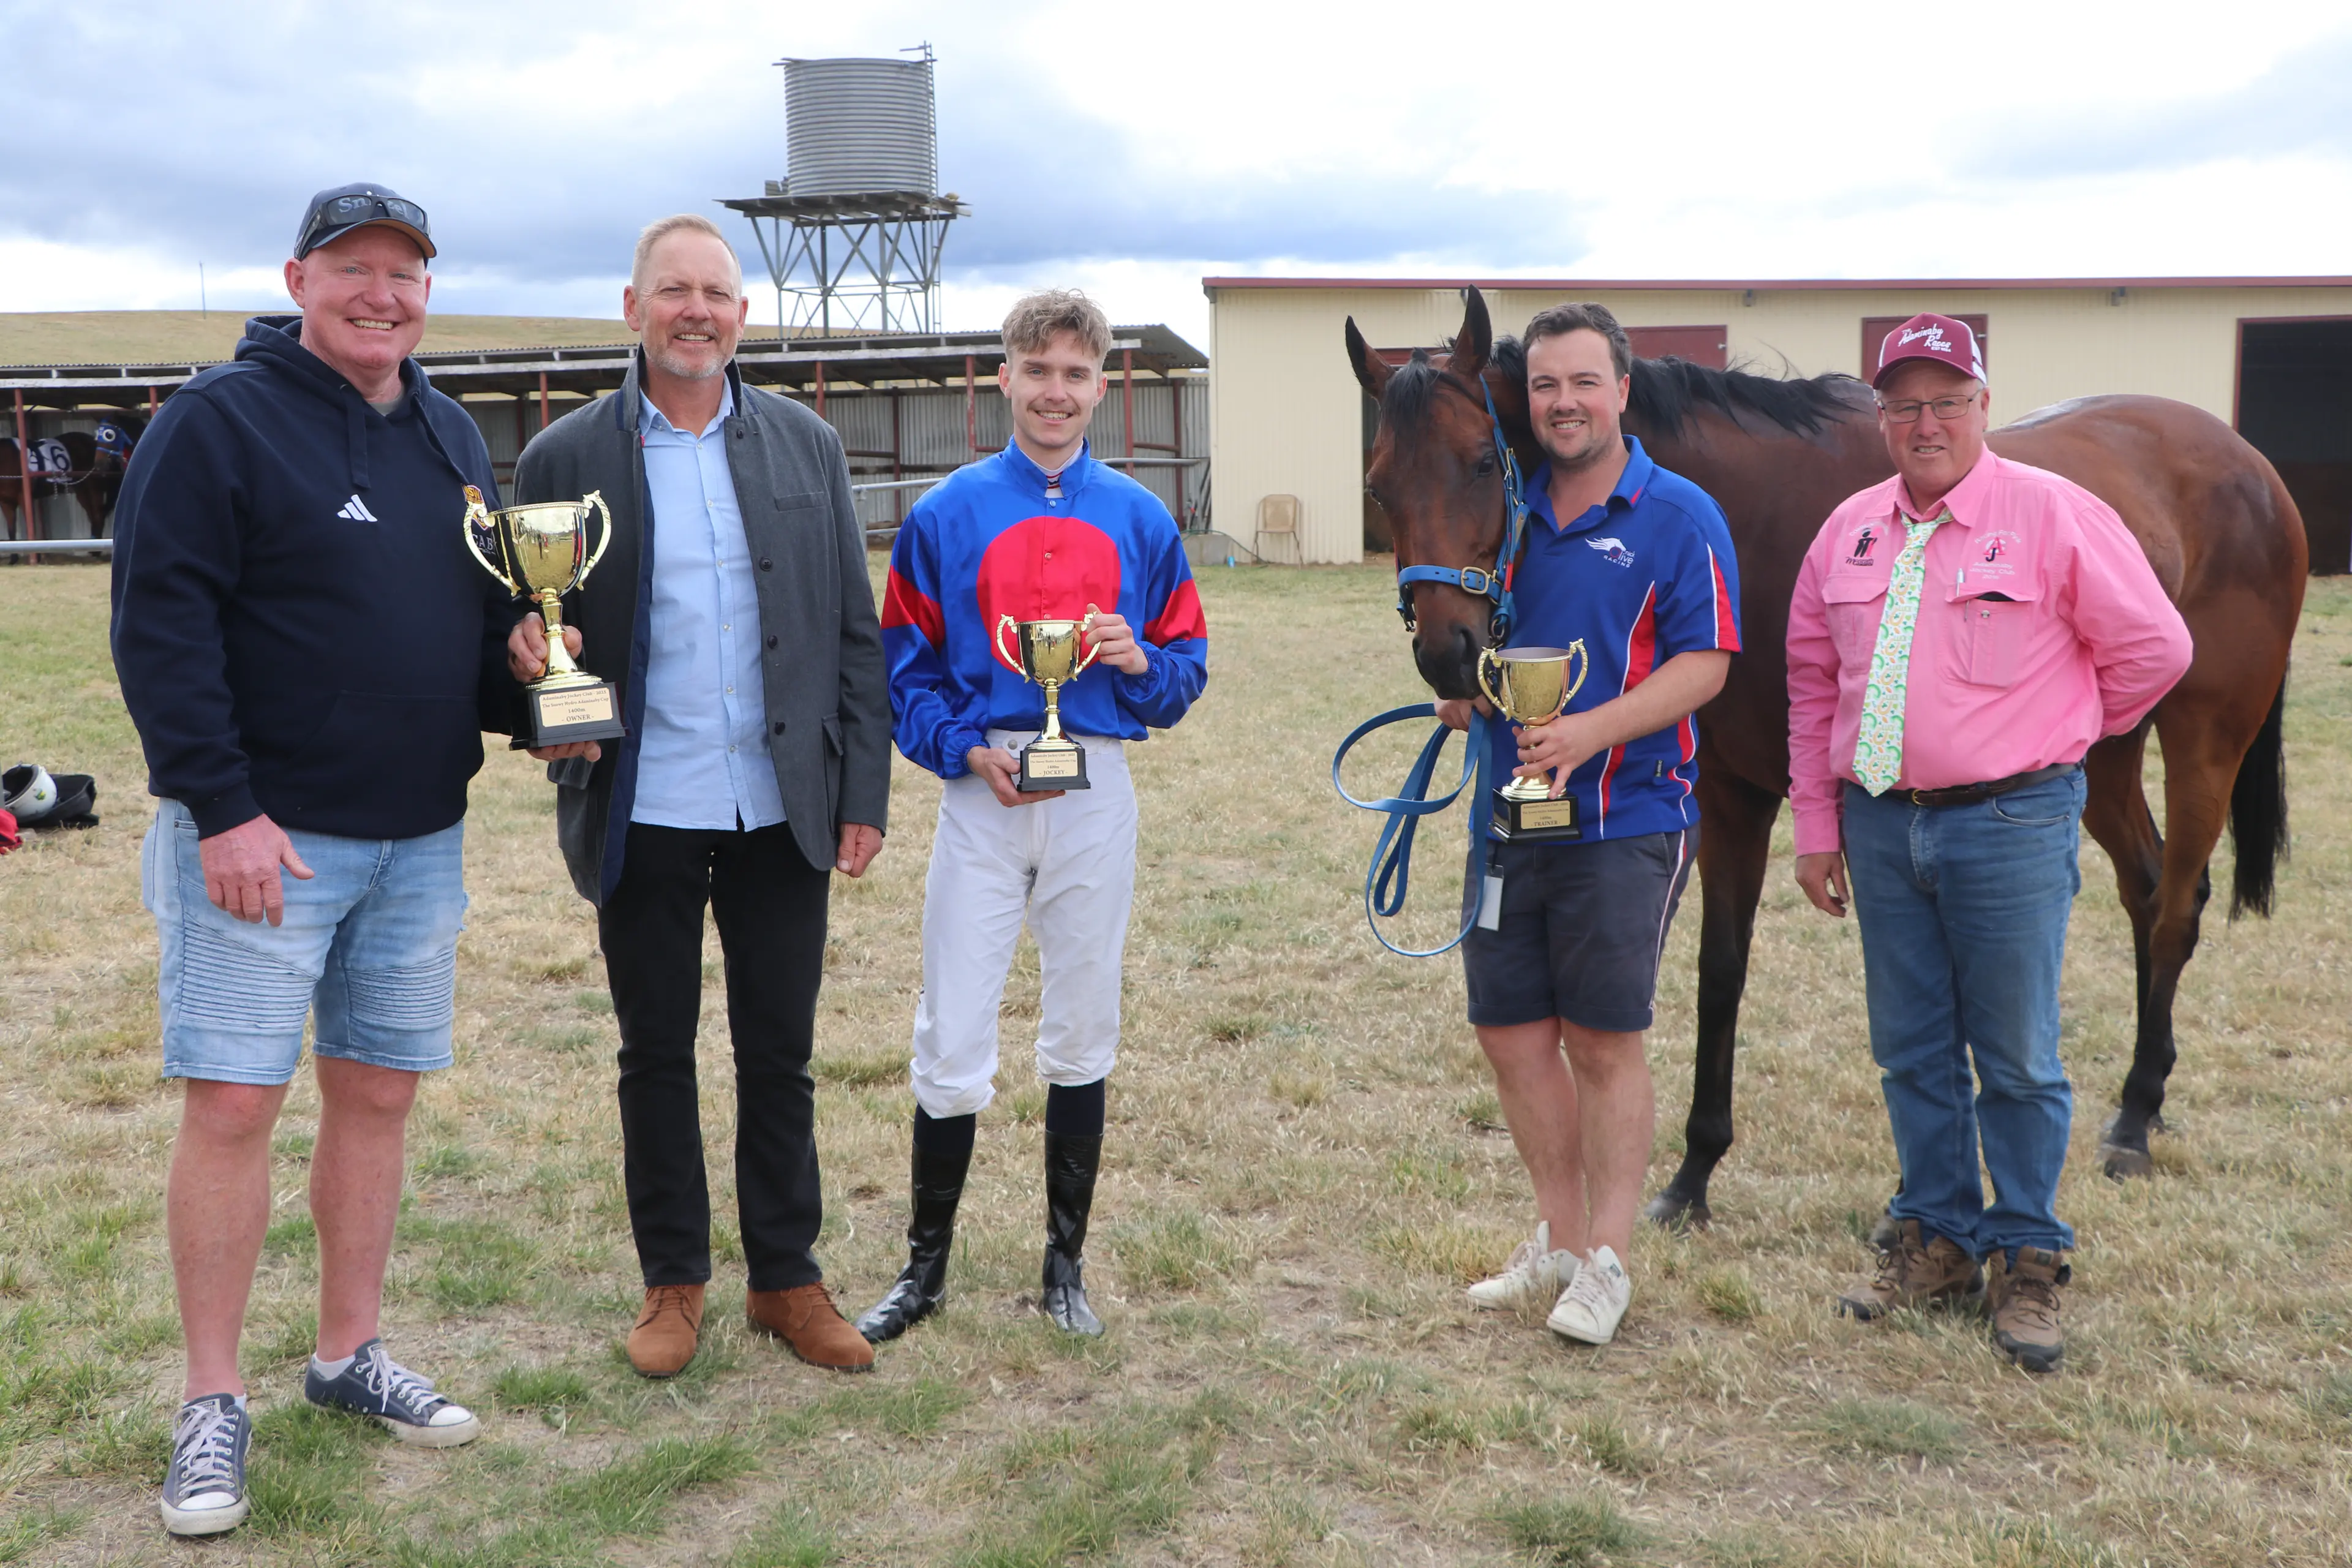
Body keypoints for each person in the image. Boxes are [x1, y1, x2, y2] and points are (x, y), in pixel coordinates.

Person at [112, 183, 507, 1537]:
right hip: (266, 844)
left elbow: (481, 615)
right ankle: (211, 1398)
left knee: (378, 1097)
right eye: (354, 268)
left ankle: (347, 1353)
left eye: (404, 273)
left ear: (427, 294)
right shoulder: (219, 421)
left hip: (420, 839)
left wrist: (533, 691)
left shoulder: (452, 431)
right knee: (232, 1104)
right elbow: (160, 621)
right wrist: (220, 806)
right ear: (299, 277)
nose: (381, 293)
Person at [505, 214, 889, 1379]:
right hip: (643, 802)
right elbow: (521, 642)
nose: (697, 312)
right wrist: (528, 671)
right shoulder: (560, 461)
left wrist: (861, 788)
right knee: (654, 1052)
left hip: (783, 805)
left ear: (741, 314)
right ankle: (673, 1281)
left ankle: (787, 1278)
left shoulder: (807, 447)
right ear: (633, 311)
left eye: (717, 293)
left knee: (781, 1053)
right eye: (673, 291)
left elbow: (851, 633)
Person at [1786, 314, 2192, 1373]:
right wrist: (1818, 827)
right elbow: (1813, 682)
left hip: (2011, 822)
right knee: (1912, 1050)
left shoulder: (2053, 513)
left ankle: (2027, 1255)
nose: (1925, 423)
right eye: (1904, 405)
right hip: (1880, 825)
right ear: (1881, 418)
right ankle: (1936, 1238)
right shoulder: (1849, 533)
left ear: (1981, 404)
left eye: (1946, 401)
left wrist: (2058, 731)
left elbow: (2155, 647)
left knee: (2016, 1057)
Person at [858, 288, 1208, 1342]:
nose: (1056, 392)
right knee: (952, 1028)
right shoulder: (945, 514)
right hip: (984, 788)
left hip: (1095, 782)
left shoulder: (1142, 520)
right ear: (1002, 379)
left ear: (1104, 387)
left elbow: (1185, 669)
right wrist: (963, 748)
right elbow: (903, 670)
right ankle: (924, 1271)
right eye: (1037, 370)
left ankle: (1065, 1265)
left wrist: (1139, 658)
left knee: (1083, 1022)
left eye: (1076, 373)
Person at [1442, 303, 1740, 1347]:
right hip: (1505, 822)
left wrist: (1584, 734)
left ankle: (1608, 1260)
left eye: (1582, 382)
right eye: (1545, 387)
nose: (1563, 403)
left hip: (1627, 819)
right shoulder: (1508, 515)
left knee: (1603, 1040)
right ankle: (1560, 1244)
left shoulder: (1679, 514)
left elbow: (1703, 666)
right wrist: (1469, 692)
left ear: (1622, 390)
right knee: (1512, 1034)